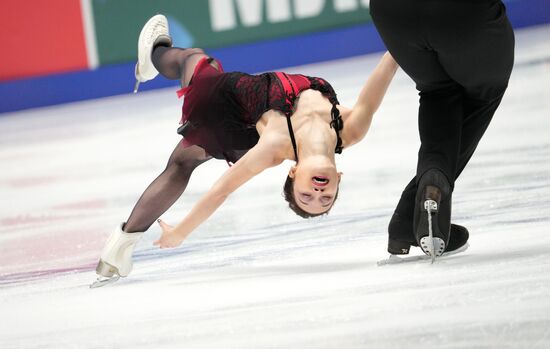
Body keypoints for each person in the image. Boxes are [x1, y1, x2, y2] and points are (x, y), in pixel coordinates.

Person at [91, 14, 399, 287]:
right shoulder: (352, 128)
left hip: (219, 101)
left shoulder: (276, 144)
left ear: (293, 173)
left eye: (308, 197)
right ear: (338, 179)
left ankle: (155, 54)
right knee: (182, 163)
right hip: (243, 120)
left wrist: (181, 231)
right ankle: (122, 244)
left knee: (195, 60)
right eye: (325, 198)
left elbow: (221, 189)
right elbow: (388, 67)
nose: (318, 192)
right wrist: (411, 30)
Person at [369, 0, 515, 260]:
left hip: (392, 14)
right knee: (485, 90)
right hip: (460, 14)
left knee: (438, 91)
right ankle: (408, 214)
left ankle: (420, 202)